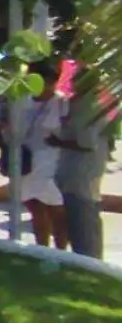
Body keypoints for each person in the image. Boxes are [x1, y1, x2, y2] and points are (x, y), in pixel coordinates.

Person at [56, 88, 114, 259]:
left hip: (81, 173)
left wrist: (58, 141)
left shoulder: (88, 108)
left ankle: (89, 261)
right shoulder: (85, 106)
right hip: (79, 172)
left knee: (83, 220)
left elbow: (87, 142)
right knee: (86, 216)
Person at [16, 78, 70, 250]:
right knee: (35, 208)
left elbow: (67, 130)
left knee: (57, 212)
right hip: (28, 162)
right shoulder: (24, 101)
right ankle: (41, 250)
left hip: (51, 163)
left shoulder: (61, 102)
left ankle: (60, 252)